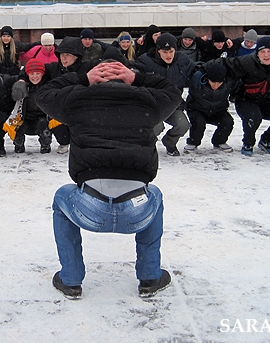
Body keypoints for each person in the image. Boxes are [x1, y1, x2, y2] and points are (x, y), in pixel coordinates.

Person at [36, 59, 181, 299]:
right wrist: (138, 78)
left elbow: (43, 94)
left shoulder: (78, 99)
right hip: (137, 211)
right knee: (154, 194)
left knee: (62, 196)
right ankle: (150, 277)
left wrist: (82, 78)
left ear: (96, 76)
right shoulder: (147, 100)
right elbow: (174, 92)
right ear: (125, 76)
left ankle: (71, 279)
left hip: (89, 209)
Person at [219, 36, 270, 156]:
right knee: (253, 118)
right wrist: (201, 68)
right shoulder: (247, 62)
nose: (266, 55)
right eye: (262, 51)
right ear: (257, 53)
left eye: (269, 51)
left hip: (269, 99)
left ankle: (267, 140)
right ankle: (248, 142)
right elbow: (224, 63)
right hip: (246, 99)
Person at [136, 33, 193, 156]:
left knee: (183, 125)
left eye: (171, 51)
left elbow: (196, 69)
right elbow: (133, 70)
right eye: (165, 52)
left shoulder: (182, 60)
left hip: (173, 105)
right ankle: (146, 146)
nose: (168, 55)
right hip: (153, 106)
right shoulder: (146, 61)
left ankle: (169, 142)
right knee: (156, 127)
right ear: (158, 51)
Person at [44, 36, 93, 154]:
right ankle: (64, 142)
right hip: (61, 108)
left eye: (67, 54)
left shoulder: (88, 67)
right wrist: (22, 80)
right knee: (54, 118)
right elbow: (33, 69)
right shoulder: (53, 68)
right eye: (61, 54)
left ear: (76, 56)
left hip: (82, 108)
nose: (63, 58)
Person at [184, 61, 237, 153]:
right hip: (197, 109)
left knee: (227, 121)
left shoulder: (229, 82)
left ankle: (219, 141)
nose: (216, 85)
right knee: (198, 123)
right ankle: (193, 142)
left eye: (219, 82)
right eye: (213, 82)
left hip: (218, 110)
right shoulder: (197, 81)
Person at [7, 59, 52, 153]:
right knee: (17, 124)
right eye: (32, 74)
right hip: (25, 117)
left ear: (42, 74)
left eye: (38, 73)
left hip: (41, 117)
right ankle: (19, 144)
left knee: (43, 125)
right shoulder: (23, 86)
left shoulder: (48, 86)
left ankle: (45, 144)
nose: (35, 76)